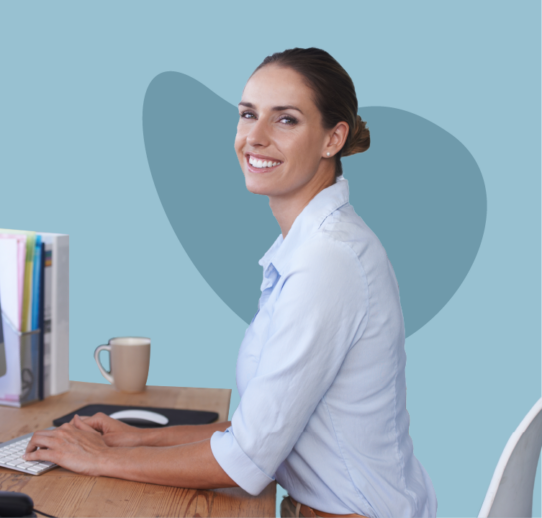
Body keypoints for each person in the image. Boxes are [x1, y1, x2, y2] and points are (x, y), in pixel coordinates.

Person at [24, 48, 437, 517]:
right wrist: (138, 437)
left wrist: (101, 459)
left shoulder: (329, 261)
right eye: (247, 115)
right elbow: (255, 430)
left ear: (332, 139)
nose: (254, 138)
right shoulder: (312, 246)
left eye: (285, 120)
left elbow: (245, 460)